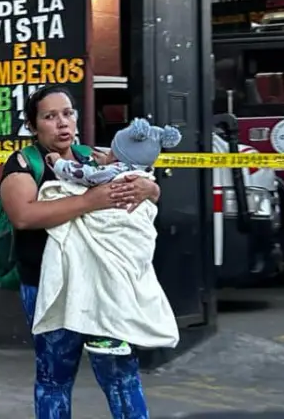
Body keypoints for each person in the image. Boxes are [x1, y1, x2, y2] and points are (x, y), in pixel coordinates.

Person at [0, 86, 161, 419]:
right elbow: (23, 215)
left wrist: (150, 188)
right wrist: (89, 202)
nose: (62, 123)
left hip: (104, 284)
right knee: (54, 377)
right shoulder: (23, 163)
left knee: (122, 376)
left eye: (68, 113)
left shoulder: (94, 157)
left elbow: (140, 188)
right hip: (49, 285)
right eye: (50, 116)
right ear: (33, 125)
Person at [32, 118, 181, 358]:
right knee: (126, 283)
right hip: (135, 237)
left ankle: (112, 334)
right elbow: (111, 168)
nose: (63, 123)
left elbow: (84, 175)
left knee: (110, 282)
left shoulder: (114, 172)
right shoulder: (141, 171)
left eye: (112, 151)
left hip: (117, 232)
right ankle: (132, 329)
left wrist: (59, 163)